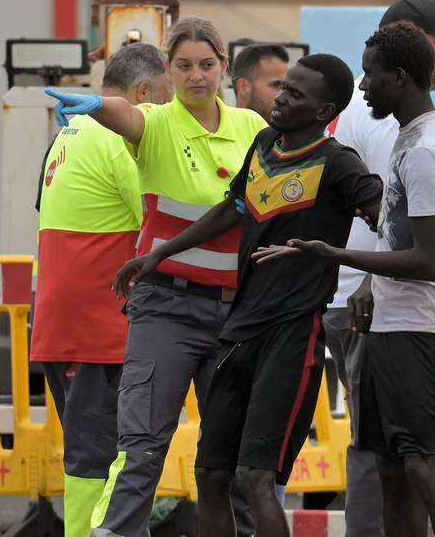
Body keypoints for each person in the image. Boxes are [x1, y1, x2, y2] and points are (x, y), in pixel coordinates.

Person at [115, 53, 384, 537]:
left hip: (293, 334)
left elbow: (391, 221)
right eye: (283, 88)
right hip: (239, 330)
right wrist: (158, 253)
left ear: (324, 112)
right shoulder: (263, 145)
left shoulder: (339, 164)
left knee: (255, 478)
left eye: (295, 94)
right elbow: (233, 207)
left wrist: (364, 276)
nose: (281, 98)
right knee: (211, 476)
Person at [253, 20, 435, 537]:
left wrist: (335, 253)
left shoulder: (430, 148)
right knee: (389, 464)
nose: (361, 87)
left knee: (424, 464)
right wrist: (373, 280)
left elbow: (429, 260)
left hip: (420, 327)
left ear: (402, 78)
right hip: (389, 323)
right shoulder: (427, 138)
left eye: (370, 76)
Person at [47, 16, 268, 537]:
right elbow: (129, 115)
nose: (197, 76)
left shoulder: (253, 129)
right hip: (168, 308)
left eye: (207, 65)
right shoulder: (158, 122)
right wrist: (98, 106)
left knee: (229, 457)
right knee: (142, 446)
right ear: (167, 71)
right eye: (185, 66)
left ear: (224, 68)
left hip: (236, 314)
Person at [323, 0, 435, 537]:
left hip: (406, 312)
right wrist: (363, 275)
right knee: (387, 458)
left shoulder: (428, 135)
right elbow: (401, 220)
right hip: (377, 307)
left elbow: (431, 234)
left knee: (406, 460)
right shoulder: (394, 124)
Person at [31, 43, 171, 537]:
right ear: (144, 92)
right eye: (165, 100)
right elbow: (162, 220)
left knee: (94, 459)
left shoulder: (67, 135)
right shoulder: (118, 139)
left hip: (65, 326)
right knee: (109, 460)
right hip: (102, 330)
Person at [231, 43, 290, 121]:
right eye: (276, 85)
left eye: (285, 87)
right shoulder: (219, 131)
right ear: (243, 87)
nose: (285, 96)